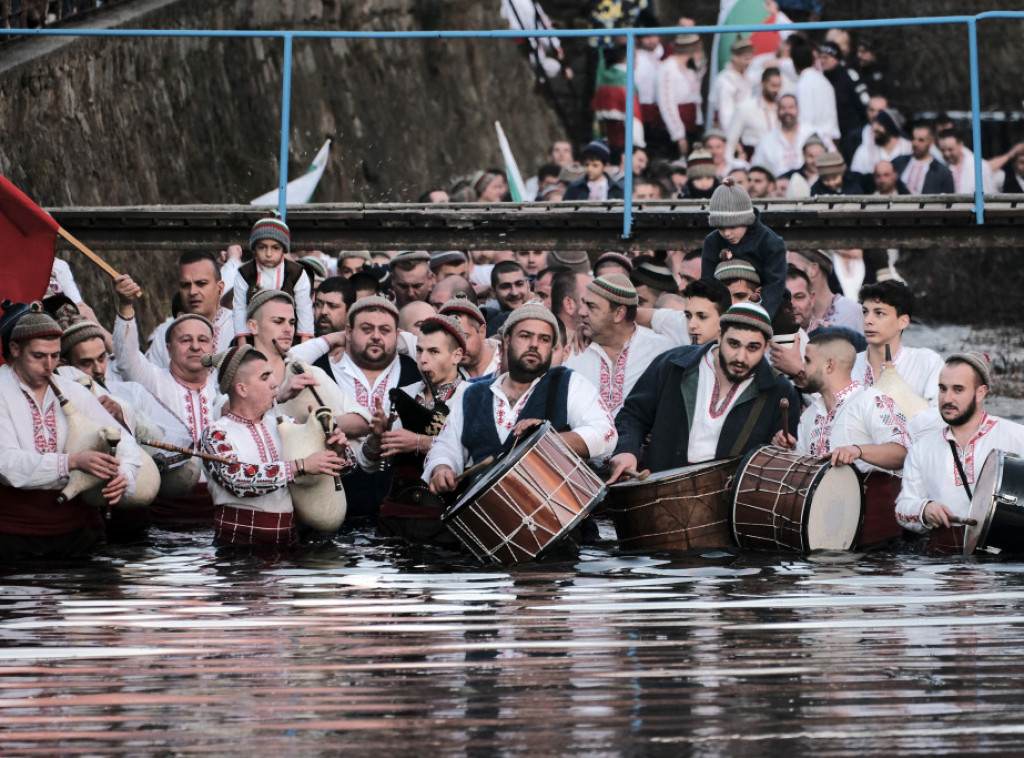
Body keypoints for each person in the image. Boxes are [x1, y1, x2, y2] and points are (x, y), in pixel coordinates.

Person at [0, 302, 145, 560]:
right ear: (15, 349)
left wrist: (125, 473)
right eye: (38, 356)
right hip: (13, 537)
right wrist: (71, 462)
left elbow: (122, 440)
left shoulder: (73, 390)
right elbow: (6, 462)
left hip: (79, 534)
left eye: (55, 355)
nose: (49, 366)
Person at [425, 303, 616, 492]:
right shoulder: (473, 394)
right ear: (507, 340)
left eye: (544, 339)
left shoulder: (570, 382)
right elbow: (445, 446)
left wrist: (548, 440)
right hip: (486, 509)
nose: (534, 344)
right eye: (525, 336)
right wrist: (442, 468)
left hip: (557, 505)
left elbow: (605, 434)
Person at [608, 302, 799, 480]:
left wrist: (778, 448)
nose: (741, 357)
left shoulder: (780, 390)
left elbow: (776, 467)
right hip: (661, 488)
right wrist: (627, 449)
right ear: (720, 336)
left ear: (766, 347)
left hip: (728, 498)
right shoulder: (674, 364)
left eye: (753, 348)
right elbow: (633, 414)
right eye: (734, 344)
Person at [200, 346, 351, 549]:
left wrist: (338, 452)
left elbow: (345, 467)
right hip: (237, 553)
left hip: (288, 548)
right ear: (242, 389)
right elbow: (237, 480)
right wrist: (301, 466)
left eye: (272, 375)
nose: (275, 383)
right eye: (265, 377)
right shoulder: (216, 434)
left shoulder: (286, 424)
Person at [773, 329, 910, 546]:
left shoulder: (872, 400)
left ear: (829, 365)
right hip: (823, 539)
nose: (802, 368)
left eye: (808, 361)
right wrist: (786, 451)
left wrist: (858, 450)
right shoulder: (809, 415)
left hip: (878, 545)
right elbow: (801, 477)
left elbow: (903, 453)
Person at [359, 315, 468, 545]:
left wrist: (419, 442)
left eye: (434, 352)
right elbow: (369, 464)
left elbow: (471, 453)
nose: (423, 360)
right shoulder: (403, 394)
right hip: (394, 517)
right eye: (419, 351)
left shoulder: (471, 396)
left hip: (445, 522)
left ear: (457, 355)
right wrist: (377, 437)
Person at [313, 296, 420, 521]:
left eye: (385, 330)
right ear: (348, 332)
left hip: (403, 513)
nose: (376, 336)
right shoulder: (319, 371)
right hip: (333, 511)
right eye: (366, 329)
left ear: (398, 335)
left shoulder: (417, 371)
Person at [897, 353, 1024, 534]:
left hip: (1003, 547)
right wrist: (925, 509)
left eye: (958, 390)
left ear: (980, 393)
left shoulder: (1016, 436)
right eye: (943, 389)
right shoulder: (921, 449)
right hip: (943, 549)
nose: (947, 399)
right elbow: (903, 506)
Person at [244, 289, 370, 434]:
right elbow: (227, 415)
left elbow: (364, 420)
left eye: (292, 322)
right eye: (278, 321)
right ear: (253, 326)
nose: (288, 329)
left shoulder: (309, 373)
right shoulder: (237, 373)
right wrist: (278, 398)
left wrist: (323, 423)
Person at [564, 275, 672, 417]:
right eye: (583, 303)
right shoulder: (570, 349)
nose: (581, 312)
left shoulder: (661, 350)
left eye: (591, 306)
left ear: (619, 313)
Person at [855, 280, 943, 417]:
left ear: (903, 322)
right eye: (865, 312)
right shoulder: (848, 365)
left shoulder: (927, 363)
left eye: (879, 313)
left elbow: (939, 416)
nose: (868, 320)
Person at [700, 179, 787, 317]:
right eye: (721, 228)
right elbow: (707, 282)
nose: (727, 233)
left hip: (768, 306)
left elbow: (774, 284)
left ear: (747, 220)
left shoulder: (770, 242)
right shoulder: (712, 242)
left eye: (732, 226)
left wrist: (760, 316)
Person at [232, 215, 314, 342]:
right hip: (253, 338)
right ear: (254, 248)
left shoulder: (296, 273)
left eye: (275, 248)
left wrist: (304, 345)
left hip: (289, 339)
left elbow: (304, 310)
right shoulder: (245, 274)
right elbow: (239, 310)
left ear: (283, 249)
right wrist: (243, 345)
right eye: (262, 247)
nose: (268, 254)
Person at [147, 251, 235, 368]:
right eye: (185, 285)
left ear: (220, 288)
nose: (192, 292)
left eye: (201, 284)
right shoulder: (165, 334)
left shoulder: (238, 328)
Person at [750, 94, 828, 179]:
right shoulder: (766, 141)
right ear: (777, 111)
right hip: (778, 185)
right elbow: (756, 170)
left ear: (798, 110)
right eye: (783, 108)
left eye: (791, 107)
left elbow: (833, 159)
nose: (787, 111)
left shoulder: (814, 133)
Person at [787, 249, 863, 332]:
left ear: (813, 269)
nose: (787, 273)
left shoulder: (854, 314)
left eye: (793, 268)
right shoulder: (789, 315)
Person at [657, 33, 705, 158]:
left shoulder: (689, 68)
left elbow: (695, 97)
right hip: (675, 128)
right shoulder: (668, 68)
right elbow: (667, 103)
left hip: (692, 125)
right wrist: (678, 135)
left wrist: (699, 123)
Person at [725, 67, 782, 162]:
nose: (776, 90)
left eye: (779, 86)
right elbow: (730, 140)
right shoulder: (745, 108)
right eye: (773, 86)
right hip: (753, 160)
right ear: (762, 84)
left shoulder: (783, 108)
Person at [439, 295, 502, 380]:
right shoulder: (441, 374)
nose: (457, 347)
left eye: (464, 337)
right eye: (450, 340)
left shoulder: (509, 361)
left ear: (482, 331)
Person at [817, 40, 867, 144]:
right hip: (832, 135)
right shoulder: (820, 79)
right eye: (820, 57)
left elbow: (864, 102)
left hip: (853, 133)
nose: (822, 61)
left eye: (826, 57)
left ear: (836, 58)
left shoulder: (849, 75)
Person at [709, 36, 755, 132]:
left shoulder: (747, 76)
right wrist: (731, 136)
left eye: (750, 59)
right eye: (746, 59)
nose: (749, 63)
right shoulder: (725, 81)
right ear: (735, 57)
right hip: (729, 129)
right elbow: (725, 114)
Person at [892, 124, 954, 195]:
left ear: (931, 142)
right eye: (913, 138)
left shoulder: (942, 171)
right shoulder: (898, 162)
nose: (915, 143)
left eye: (921, 140)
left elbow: (948, 198)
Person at [850, 109, 912, 177]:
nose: (874, 128)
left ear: (890, 128)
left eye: (879, 124)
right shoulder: (864, 150)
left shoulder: (909, 149)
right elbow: (855, 176)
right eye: (874, 124)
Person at [487, 260, 531, 336]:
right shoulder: (485, 321)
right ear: (493, 292)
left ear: (528, 286)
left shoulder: (545, 315)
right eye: (505, 286)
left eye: (519, 284)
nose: (514, 293)